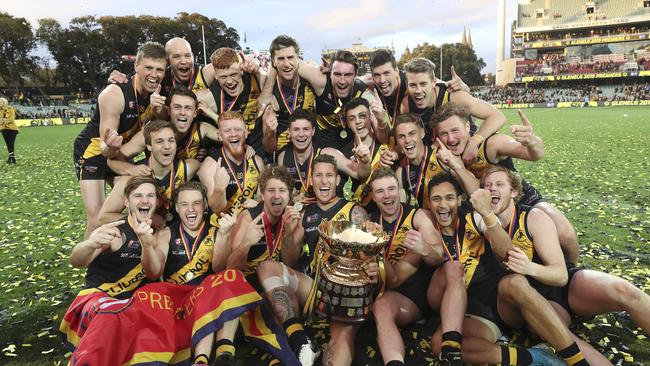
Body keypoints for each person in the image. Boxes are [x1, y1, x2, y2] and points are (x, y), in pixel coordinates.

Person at [486, 165, 650, 365]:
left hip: (562, 286)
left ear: (513, 192)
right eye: (487, 186)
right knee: (568, 338)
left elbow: (561, 275)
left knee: (625, 291)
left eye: (499, 184)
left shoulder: (533, 217)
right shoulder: (482, 224)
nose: (492, 189)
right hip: (533, 302)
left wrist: (529, 268)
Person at [427, 172, 589, 366]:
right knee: (439, 345)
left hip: (497, 301)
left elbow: (506, 252)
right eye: (436, 199)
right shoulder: (424, 223)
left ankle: (577, 360)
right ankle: (535, 358)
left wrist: (487, 215)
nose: (443, 204)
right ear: (428, 203)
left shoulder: (475, 219)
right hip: (469, 312)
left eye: (449, 198)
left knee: (515, 282)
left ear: (460, 200)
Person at [253, 156, 371, 366]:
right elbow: (290, 260)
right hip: (314, 289)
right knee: (268, 269)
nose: (323, 181)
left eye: (329, 175)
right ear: (311, 180)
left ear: (337, 180)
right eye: (318, 175)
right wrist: (290, 234)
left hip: (346, 293)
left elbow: (371, 260)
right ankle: (300, 342)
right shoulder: (304, 212)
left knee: (341, 337)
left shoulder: (355, 212)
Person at [431, 102, 580, 265]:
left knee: (565, 233)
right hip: (492, 210)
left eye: (455, 130)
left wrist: (532, 142)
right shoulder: (448, 159)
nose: (450, 138)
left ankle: (571, 272)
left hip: (521, 199)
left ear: (467, 127)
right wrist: (456, 166)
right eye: (444, 134)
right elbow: (477, 192)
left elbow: (533, 155)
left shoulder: (491, 144)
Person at [367, 168, 461, 366]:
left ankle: (451, 349)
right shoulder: (370, 222)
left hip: (419, 295)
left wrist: (424, 248)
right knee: (380, 306)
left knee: (453, 267)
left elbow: (438, 256)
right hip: (389, 294)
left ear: (399, 190)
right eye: (380, 191)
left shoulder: (419, 217)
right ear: (373, 197)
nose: (387, 195)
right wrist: (374, 253)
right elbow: (386, 280)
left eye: (391, 189)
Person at [73, 41, 166, 239]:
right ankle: (94, 267)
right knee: (97, 219)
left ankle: (124, 255)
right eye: (148, 68)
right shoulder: (115, 93)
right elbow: (105, 146)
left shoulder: (157, 92)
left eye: (160, 69)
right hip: (95, 151)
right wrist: (110, 146)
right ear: (136, 67)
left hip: (119, 154)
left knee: (135, 199)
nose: (154, 74)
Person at [401, 58, 505, 163]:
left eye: (423, 84)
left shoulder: (454, 96)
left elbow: (497, 116)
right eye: (413, 85)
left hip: (472, 153)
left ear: (433, 82)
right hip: (440, 160)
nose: (418, 90)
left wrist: (474, 142)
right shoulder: (406, 105)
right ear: (407, 84)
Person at [100, 120, 200, 224]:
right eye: (159, 141)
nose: (167, 146)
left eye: (171, 140)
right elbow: (104, 217)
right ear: (149, 146)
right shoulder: (133, 178)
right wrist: (145, 219)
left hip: (178, 234)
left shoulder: (188, 168)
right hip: (145, 235)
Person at [297, 50, 390, 150]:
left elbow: (383, 139)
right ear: (330, 73)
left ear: (355, 76)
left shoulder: (365, 95)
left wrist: (381, 120)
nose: (342, 81)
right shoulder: (321, 81)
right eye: (337, 74)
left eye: (348, 75)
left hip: (351, 146)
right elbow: (291, 60)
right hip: (319, 145)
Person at [392, 113, 478, 209]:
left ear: (422, 133)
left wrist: (456, 167)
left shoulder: (441, 156)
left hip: (457, 219)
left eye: (412, 133)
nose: (407, 140)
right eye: (401, 136)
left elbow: (476, 191)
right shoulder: (401, 173)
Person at [198, 111, 266, 226]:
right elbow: (216, 208)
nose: (233, 134)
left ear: (246, 133)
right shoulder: (211, 165)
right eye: (227, 131)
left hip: (249, 225)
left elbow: (262, 196)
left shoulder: (257, 161)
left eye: (238, 129)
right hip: (221, 229)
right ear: (219, 135)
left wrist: (257, 203)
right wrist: (219, 189)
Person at [321, 97, 390, 210]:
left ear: (370, 117)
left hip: (386, 207)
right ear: (347, 124)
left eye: (362, 116)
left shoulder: (386, 144)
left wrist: (382, 120)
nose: (358, 121)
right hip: (356, 212)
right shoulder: (344, 153)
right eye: (352, 119)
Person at [116, 86, 220, 161]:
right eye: (177, 107)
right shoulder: (154, 131)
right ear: (169, 111)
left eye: (188, 108)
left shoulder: (202, 129)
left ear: (195, 113)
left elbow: (232, 136)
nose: (182, 113)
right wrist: (131, 170)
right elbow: (118, 158)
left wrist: (211, 113)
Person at [256, 35, 317, 156]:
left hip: (312, 147)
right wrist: (269, 133)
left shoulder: (310, 81)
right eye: (281, 59)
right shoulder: (269, 91)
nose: (286, 64)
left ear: (298, 58)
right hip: (284, 152)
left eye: (290, 57)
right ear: (273, 62)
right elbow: (269, 149)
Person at [277, 108, 319, 204]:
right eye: (296, 129)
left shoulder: (325, 153)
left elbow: (359, 173)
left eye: (305, 129)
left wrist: (361, 161)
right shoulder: (283, 158)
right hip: (297, 212)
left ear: (313, 131)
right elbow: (284, 192)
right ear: (289, 132)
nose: (301, 134)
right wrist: (291, 199)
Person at [0, 97, 18, 164]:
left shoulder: (10, 109)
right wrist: (3, 121)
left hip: (12, 129)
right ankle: (12, 158)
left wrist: (3, 120)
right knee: (8, 144)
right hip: (3, 129)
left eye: (0, 102)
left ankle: (11, 158)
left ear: (4, 103)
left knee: (11, 143)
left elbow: (12, 119)